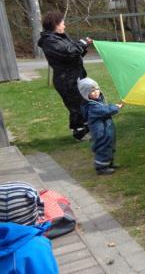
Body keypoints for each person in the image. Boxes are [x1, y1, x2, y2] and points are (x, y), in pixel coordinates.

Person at [37, 11, 92, 141]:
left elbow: (74, 54)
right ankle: (79, 133)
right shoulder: (49, 41)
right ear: (55, 24)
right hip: (66, 80)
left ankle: (88, 129)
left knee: (85, 103)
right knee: (76, 106)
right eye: (62, 23)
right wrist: (82, 44)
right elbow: (68, 52)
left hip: (76, 76)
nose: (64, 26)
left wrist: (83, 47)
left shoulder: (61, 37)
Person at [78, 78, 123, 175]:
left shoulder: (96, 102)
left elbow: (104, 108)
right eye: (92, 91)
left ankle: (109, 163)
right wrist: (116, 107)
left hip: (106, 130)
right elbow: (106, 111)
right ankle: (101, 167)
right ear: (85, 94)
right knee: (103, 147)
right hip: (101, 133)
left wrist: (113, 106)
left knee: (110, 147)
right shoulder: (92, 106)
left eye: (97, 89)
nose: (96, 92)